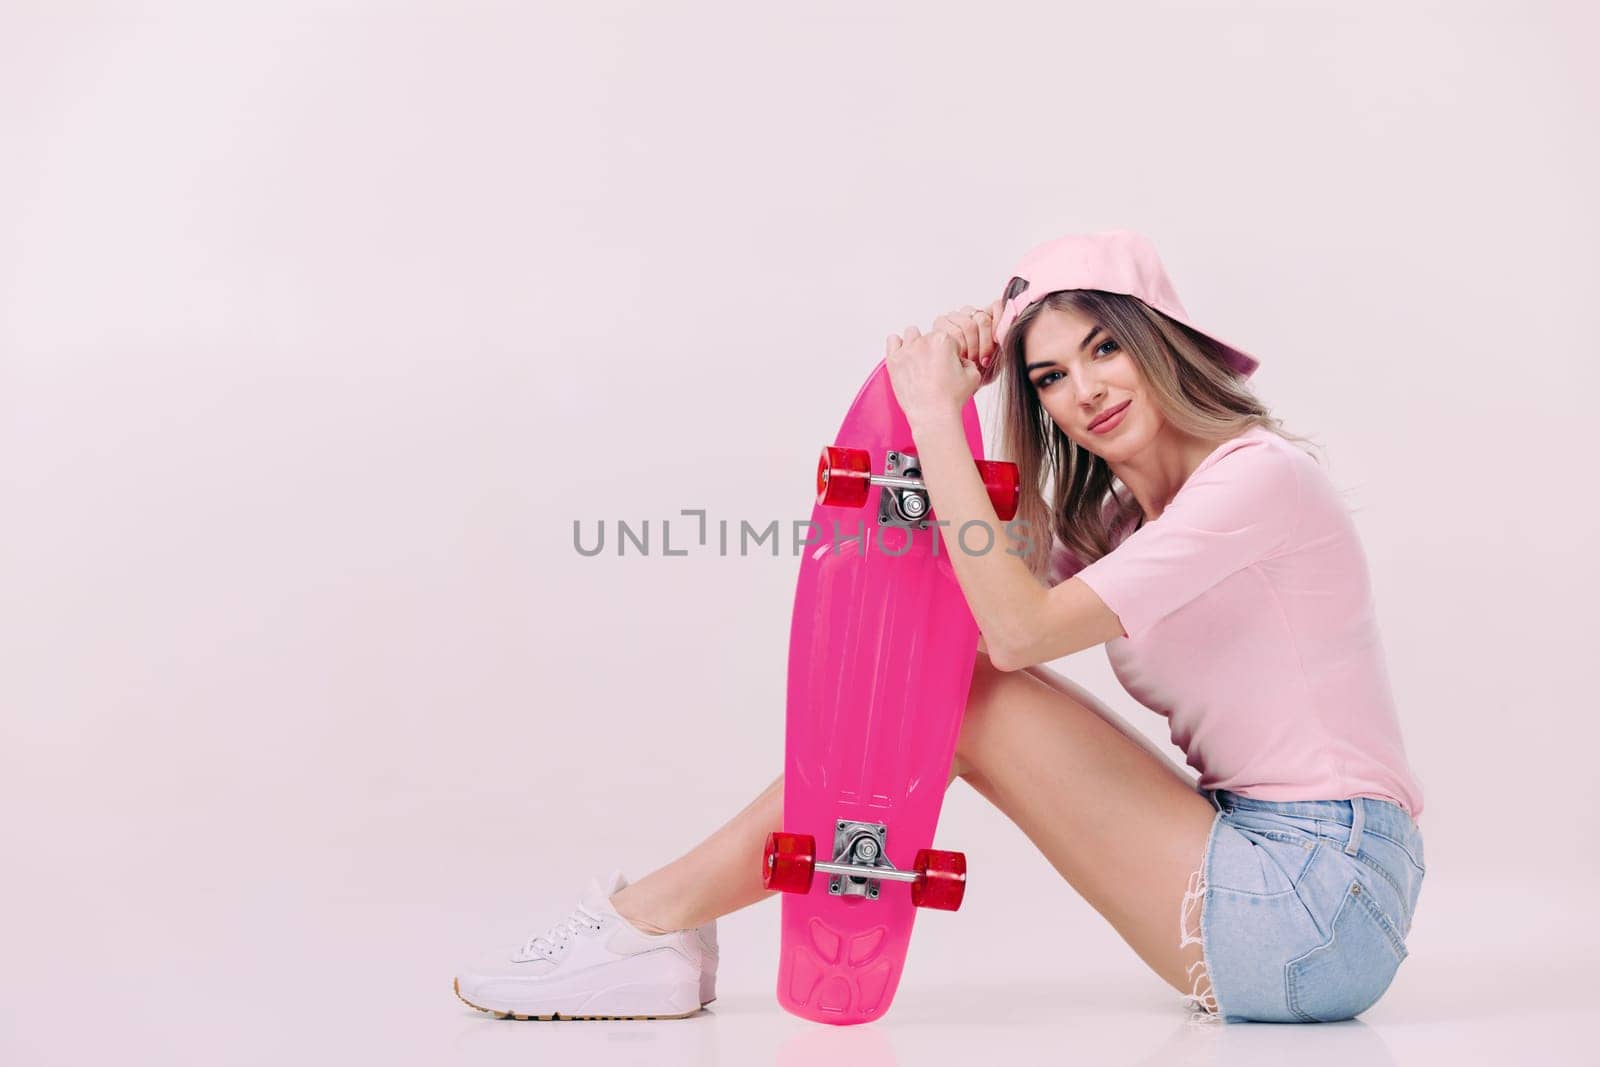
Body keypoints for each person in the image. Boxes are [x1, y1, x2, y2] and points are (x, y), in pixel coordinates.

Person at [453, 229, 1426, 1024]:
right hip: (1264, 866)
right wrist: (953, 390)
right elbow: (948, 596)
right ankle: (661, 926)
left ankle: (647, 922)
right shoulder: (1123, 525)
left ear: (1158, 343)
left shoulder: (1255, 479)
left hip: (1317, 900)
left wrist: (930, 416)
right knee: (948, 688)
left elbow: (1013, 631)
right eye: (1044, 376)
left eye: (1103, 347)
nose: (1081, 390)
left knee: (974, 696)